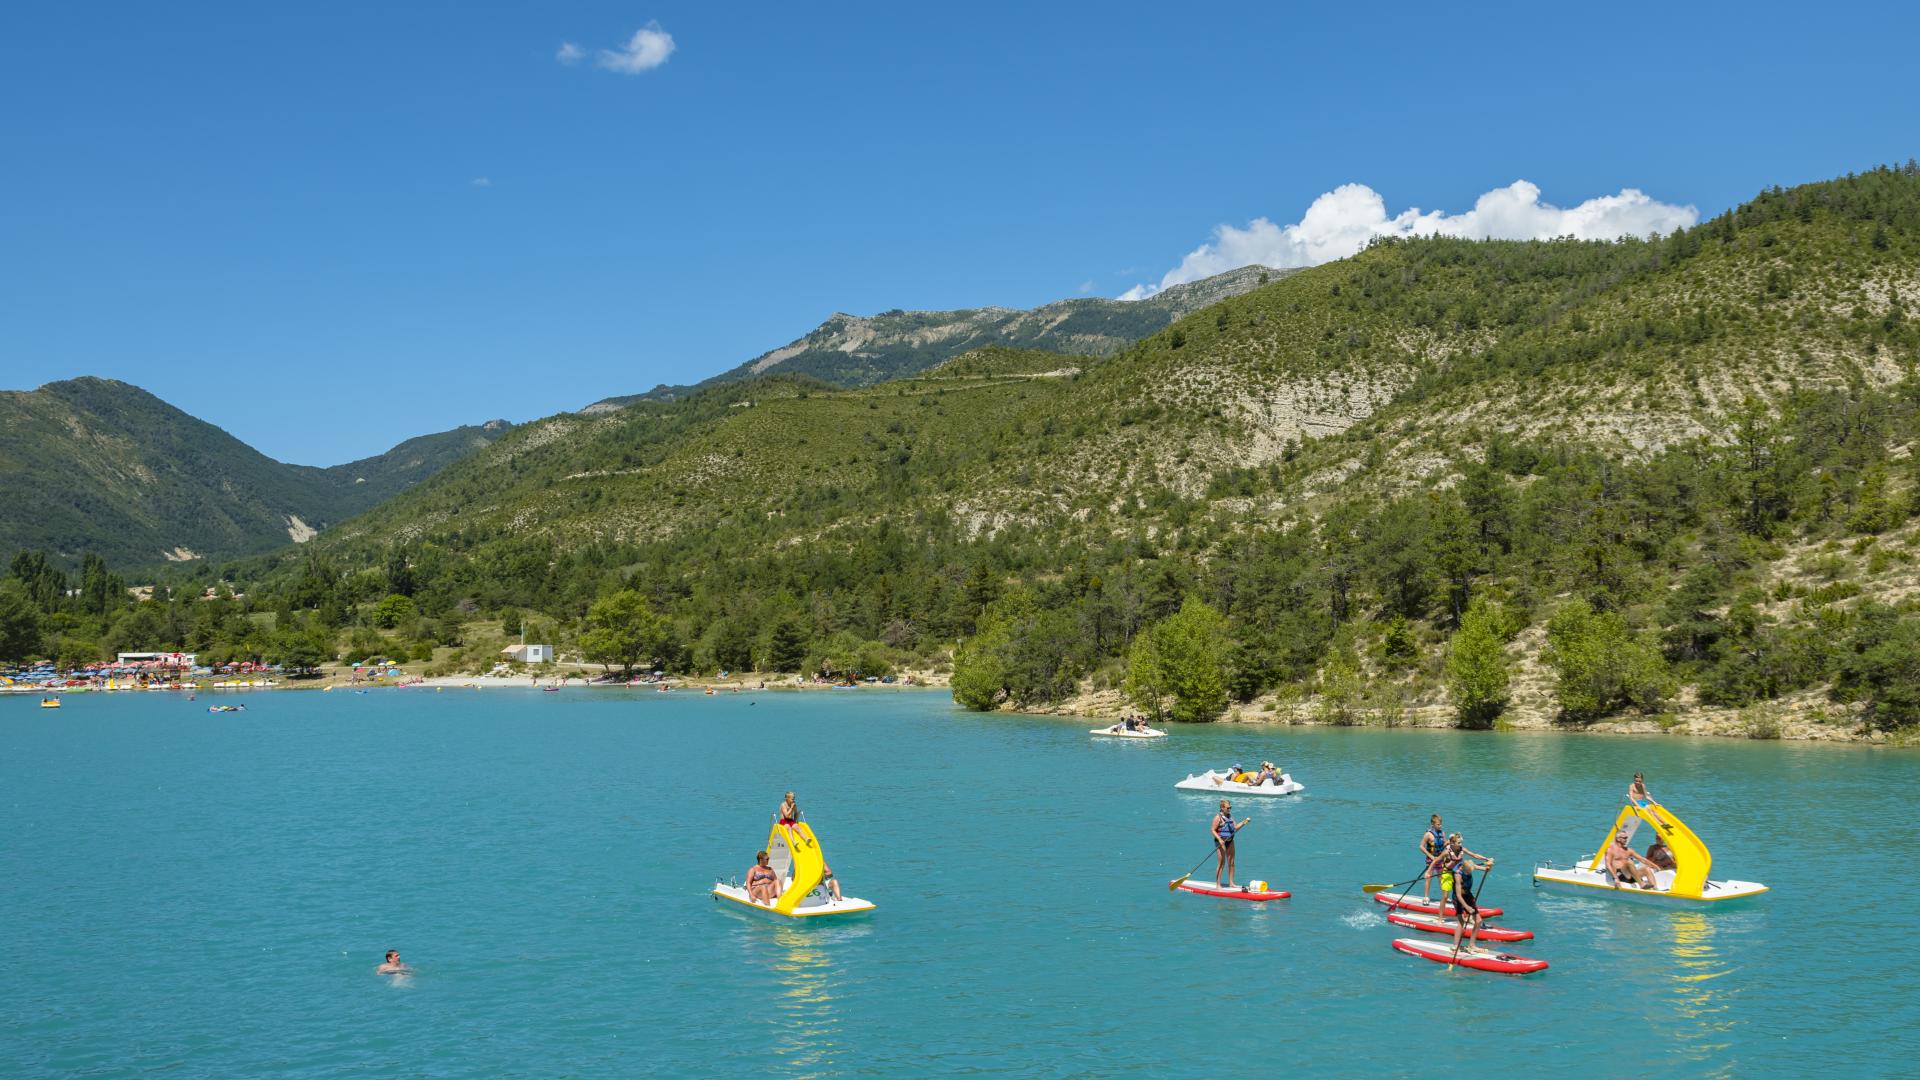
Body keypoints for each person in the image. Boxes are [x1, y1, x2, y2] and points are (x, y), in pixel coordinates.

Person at [1439, 835, 1494, 957]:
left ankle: (1472, 945)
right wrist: (1467, 908)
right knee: (1461, 922)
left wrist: (1487, 867)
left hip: (1468, 896)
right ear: (1463, 870)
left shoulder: (1469, 865)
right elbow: (1458, 895)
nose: (1470, 874)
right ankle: (1455, 945)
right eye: (1468, 872)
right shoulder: (1458, 875)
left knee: (1478, 921)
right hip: (1459, 899)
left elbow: (1479, 866)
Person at [1211, 799, 1249, 888]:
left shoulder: (1230, 817)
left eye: (1230, 807)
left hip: (1230, 841)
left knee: (1231, 862)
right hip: (1221, 842)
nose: (1229, 809)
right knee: (1221, 863)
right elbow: (1212, 830)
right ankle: (1218, 884)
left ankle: (1231, 883)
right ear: (1222, 808)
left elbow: (1235, 827)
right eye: (1228, 808)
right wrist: (1219, 839)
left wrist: (1244, 822)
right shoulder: (1218, 817)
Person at [1419, 814, 1446, 901]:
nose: (1440, 826)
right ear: (1433, 824)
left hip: (1440, 859)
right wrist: (1431, 856)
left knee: (1441, 878)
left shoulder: (1442, 833)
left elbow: (1444, 845)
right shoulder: (1428, 834)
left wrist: (1449, 843)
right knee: (1429, 877)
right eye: (1438, 824)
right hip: (1430, 859)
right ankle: (1426, 897)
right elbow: (1421, 847)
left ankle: (1444, 897)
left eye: (1441, 824)